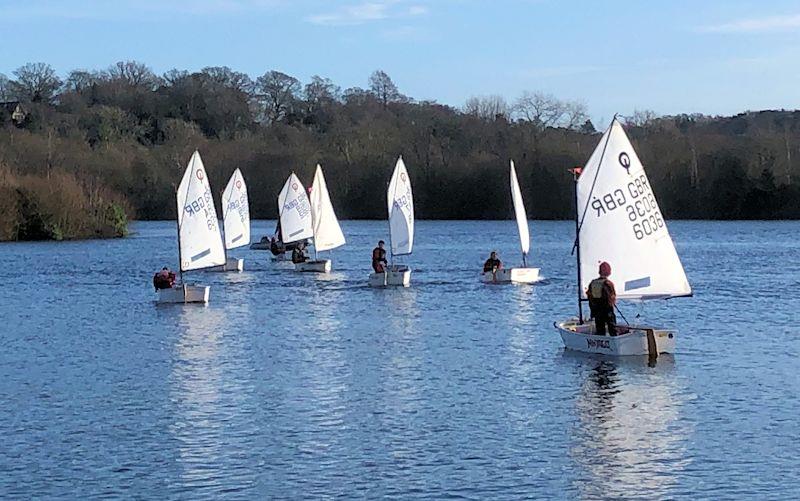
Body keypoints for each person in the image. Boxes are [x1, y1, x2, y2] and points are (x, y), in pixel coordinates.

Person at [587, 261, 617, 336]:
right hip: (607, 310)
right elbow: (612, 297)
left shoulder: (592, 283)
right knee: (612, 330)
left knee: (600, 331)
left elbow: (589, 296)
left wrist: (592, 311)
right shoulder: (608, 283)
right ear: (609, 272)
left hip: (596, 311)